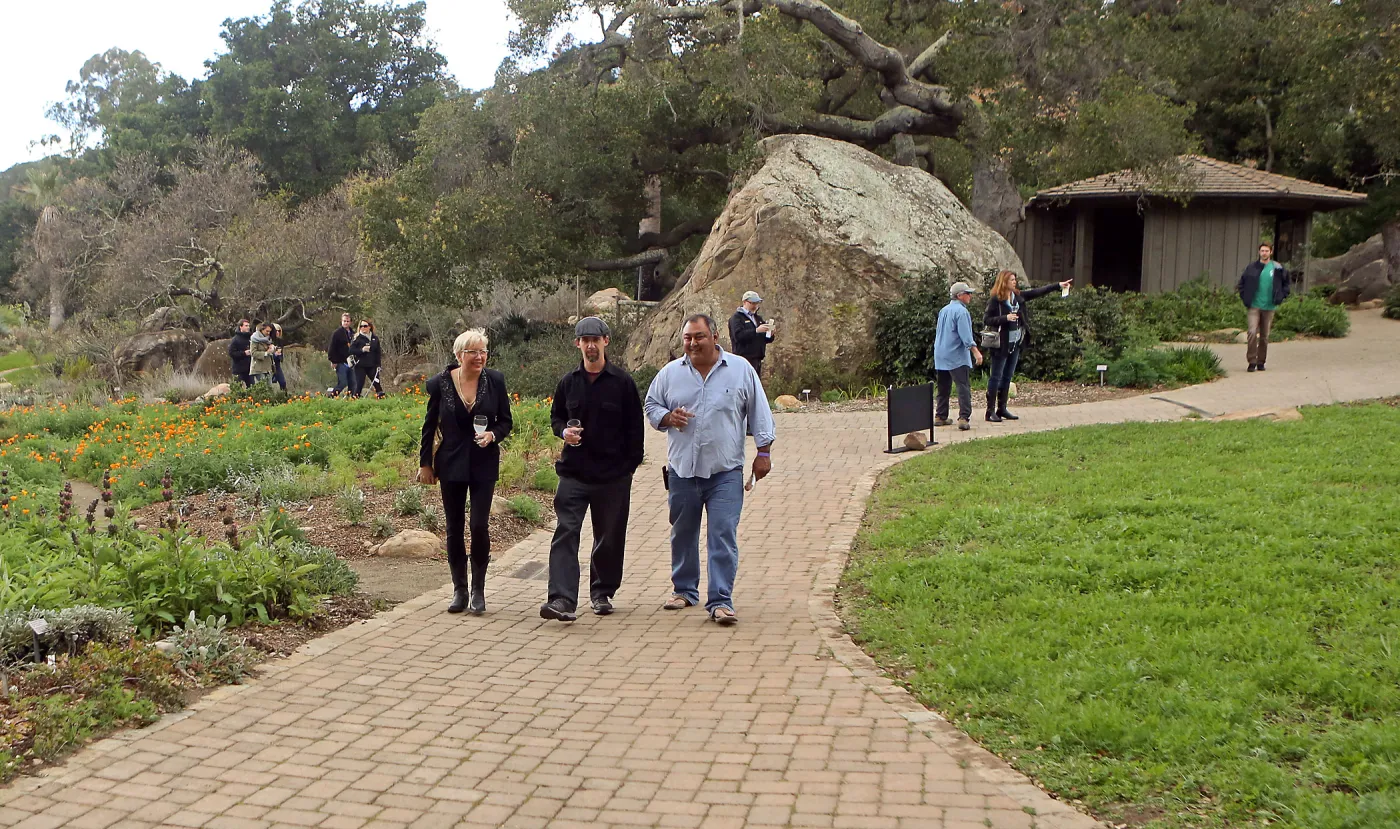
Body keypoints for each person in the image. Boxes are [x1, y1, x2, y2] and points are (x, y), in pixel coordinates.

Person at [644, 313, 775, 626]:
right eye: (687, 338)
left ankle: (720, 601)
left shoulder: (740, 370)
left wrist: (763, 452)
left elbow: (759, 411)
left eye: (699, 336)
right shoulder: (670, 373)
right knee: (683, 534)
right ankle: (684, 590)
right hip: (682, 472)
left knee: (722, 534)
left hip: (725, 472)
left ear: (715, 337)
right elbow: (651, 405)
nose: (692, 343)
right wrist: (667, 418)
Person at [539, 317, 646, 623]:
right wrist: (563, 432)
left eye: (595, 340)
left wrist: (628, 469)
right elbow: (556, 417)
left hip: (612, 477)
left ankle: (602, 592)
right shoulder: (568, 382)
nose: (590, 345)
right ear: (578, 344)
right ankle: (561, 599)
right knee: (565, 533)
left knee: (609, 538)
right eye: (585, 340)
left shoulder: (622, 383)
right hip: (573, 473)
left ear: (605, 341)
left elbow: (635, 430)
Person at [418, 330, 512, 615]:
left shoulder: (495, 381)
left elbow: (505, 421)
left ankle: (478, 589)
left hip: (484, 462)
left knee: (479, 526)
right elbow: (429, 426)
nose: (480, 357)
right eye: (473, 352)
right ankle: (459, 589)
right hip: (451, 463)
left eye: (483, 351)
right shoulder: (440, 384)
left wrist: (493, 435)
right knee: (454, 527)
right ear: (459, 355)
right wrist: (425, 463)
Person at [982, 271, 1072, 422]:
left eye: (1015, 279)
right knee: (996, 376)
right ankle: (989, 411)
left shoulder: (1017, 296)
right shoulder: (996, 300)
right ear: (1004, 282)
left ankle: (1002, 408)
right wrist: (1005, 318)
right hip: (1000, 344)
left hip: (1015, 343)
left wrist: (1057, 286)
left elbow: (1037, 292)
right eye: (1011, 280)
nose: (1014, 282)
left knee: (1008, 376)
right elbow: (987, 319)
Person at [933, 282, 983, 431]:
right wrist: (976, 352)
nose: (970, 296)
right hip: (956, 355)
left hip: (940, 353)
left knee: (943, 387)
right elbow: (965, 335)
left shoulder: (944, 310)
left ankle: (940, 415)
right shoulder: (961, 312)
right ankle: (963, 417)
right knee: (963, 386)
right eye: (968, 293)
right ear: (960, 295)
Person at [1236, 243, 1290, 372]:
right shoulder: (1252, 268)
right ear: (1259, 252)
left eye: (1266, 251)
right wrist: (1245, 297)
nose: (1264, 253)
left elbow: (1286, 283)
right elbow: (1242, 283)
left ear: (1271, 252)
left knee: (1264, 336)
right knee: (1252, 332)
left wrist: (1281, 296)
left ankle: (1261, 361)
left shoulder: (1277, 268)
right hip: (1254, 306)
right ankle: (1252, 361)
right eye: (1262, 251)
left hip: (1269, 306)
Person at [727, 290, 775, 377]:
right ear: (744, 302)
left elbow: (764, 339)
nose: (755, 306)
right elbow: (738, 336)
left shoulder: (758, 318)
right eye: (753, 303)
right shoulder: (736, 318)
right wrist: (756, 330)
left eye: (757, 303)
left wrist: (770, 334)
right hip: (743, 359)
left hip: (757, 358)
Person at [350, 319, 383, 398]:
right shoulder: (357, 338)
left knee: (377, 383)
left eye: (365, 326)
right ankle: (355, 400)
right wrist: (362, 350)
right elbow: (351, 350)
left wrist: (378, 365)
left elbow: (378, 353)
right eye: (361, 326)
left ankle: (382, 399)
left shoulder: (375, 338)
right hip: (360, 365)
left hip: (372, 365)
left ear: (369, 327)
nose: (363, 328)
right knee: (359, 384)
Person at [326, 312, 355, 397]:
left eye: (347, 321)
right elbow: (331, 347)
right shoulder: (337, 333)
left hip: (351, 362)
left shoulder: (353, 333)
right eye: (344, 321)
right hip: (340, 362)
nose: (346, 323)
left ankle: (352, 400)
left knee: (353, 383)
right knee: (342, 383)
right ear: (341, 321)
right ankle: (331, 397)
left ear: (350, 322)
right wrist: (333, 360)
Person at [227, 319, 253, 388]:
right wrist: (244, 353)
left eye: (248, 326)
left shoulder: (251, 338)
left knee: (252, 388)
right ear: (241, 327)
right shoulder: (235, 339)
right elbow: (231, 353)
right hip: (238, 369)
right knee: (237, 388)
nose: (248, 327)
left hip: (249, 368)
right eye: (246, 326)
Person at [270, 323, 288, 392]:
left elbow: (281, 354)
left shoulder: (280, 341)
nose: (277, 332)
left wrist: (279, 355)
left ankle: (284, 396)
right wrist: (274, 354)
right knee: (269, 384)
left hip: (277, 365)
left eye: (279, 331)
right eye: (276, 331)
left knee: (283, 383)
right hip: (269, 365)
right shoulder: (268, 340)